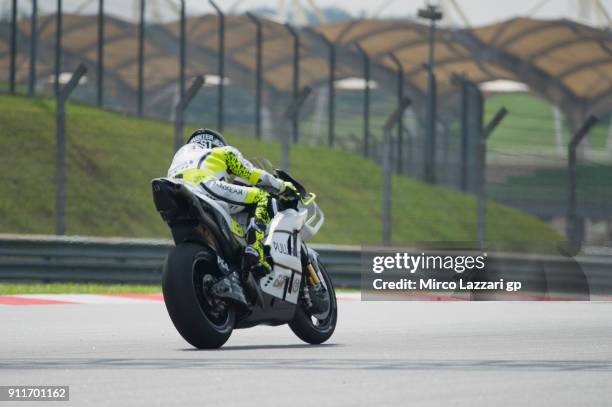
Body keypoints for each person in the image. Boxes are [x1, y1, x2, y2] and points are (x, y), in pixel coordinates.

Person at [167, 128, 295, 274]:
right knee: (262, 197)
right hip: (204, 186)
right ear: (217, 143)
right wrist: (282, 186)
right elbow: (252, 174)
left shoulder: (181, 153)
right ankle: (255, 249)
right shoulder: (224, 151)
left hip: (174, 191)